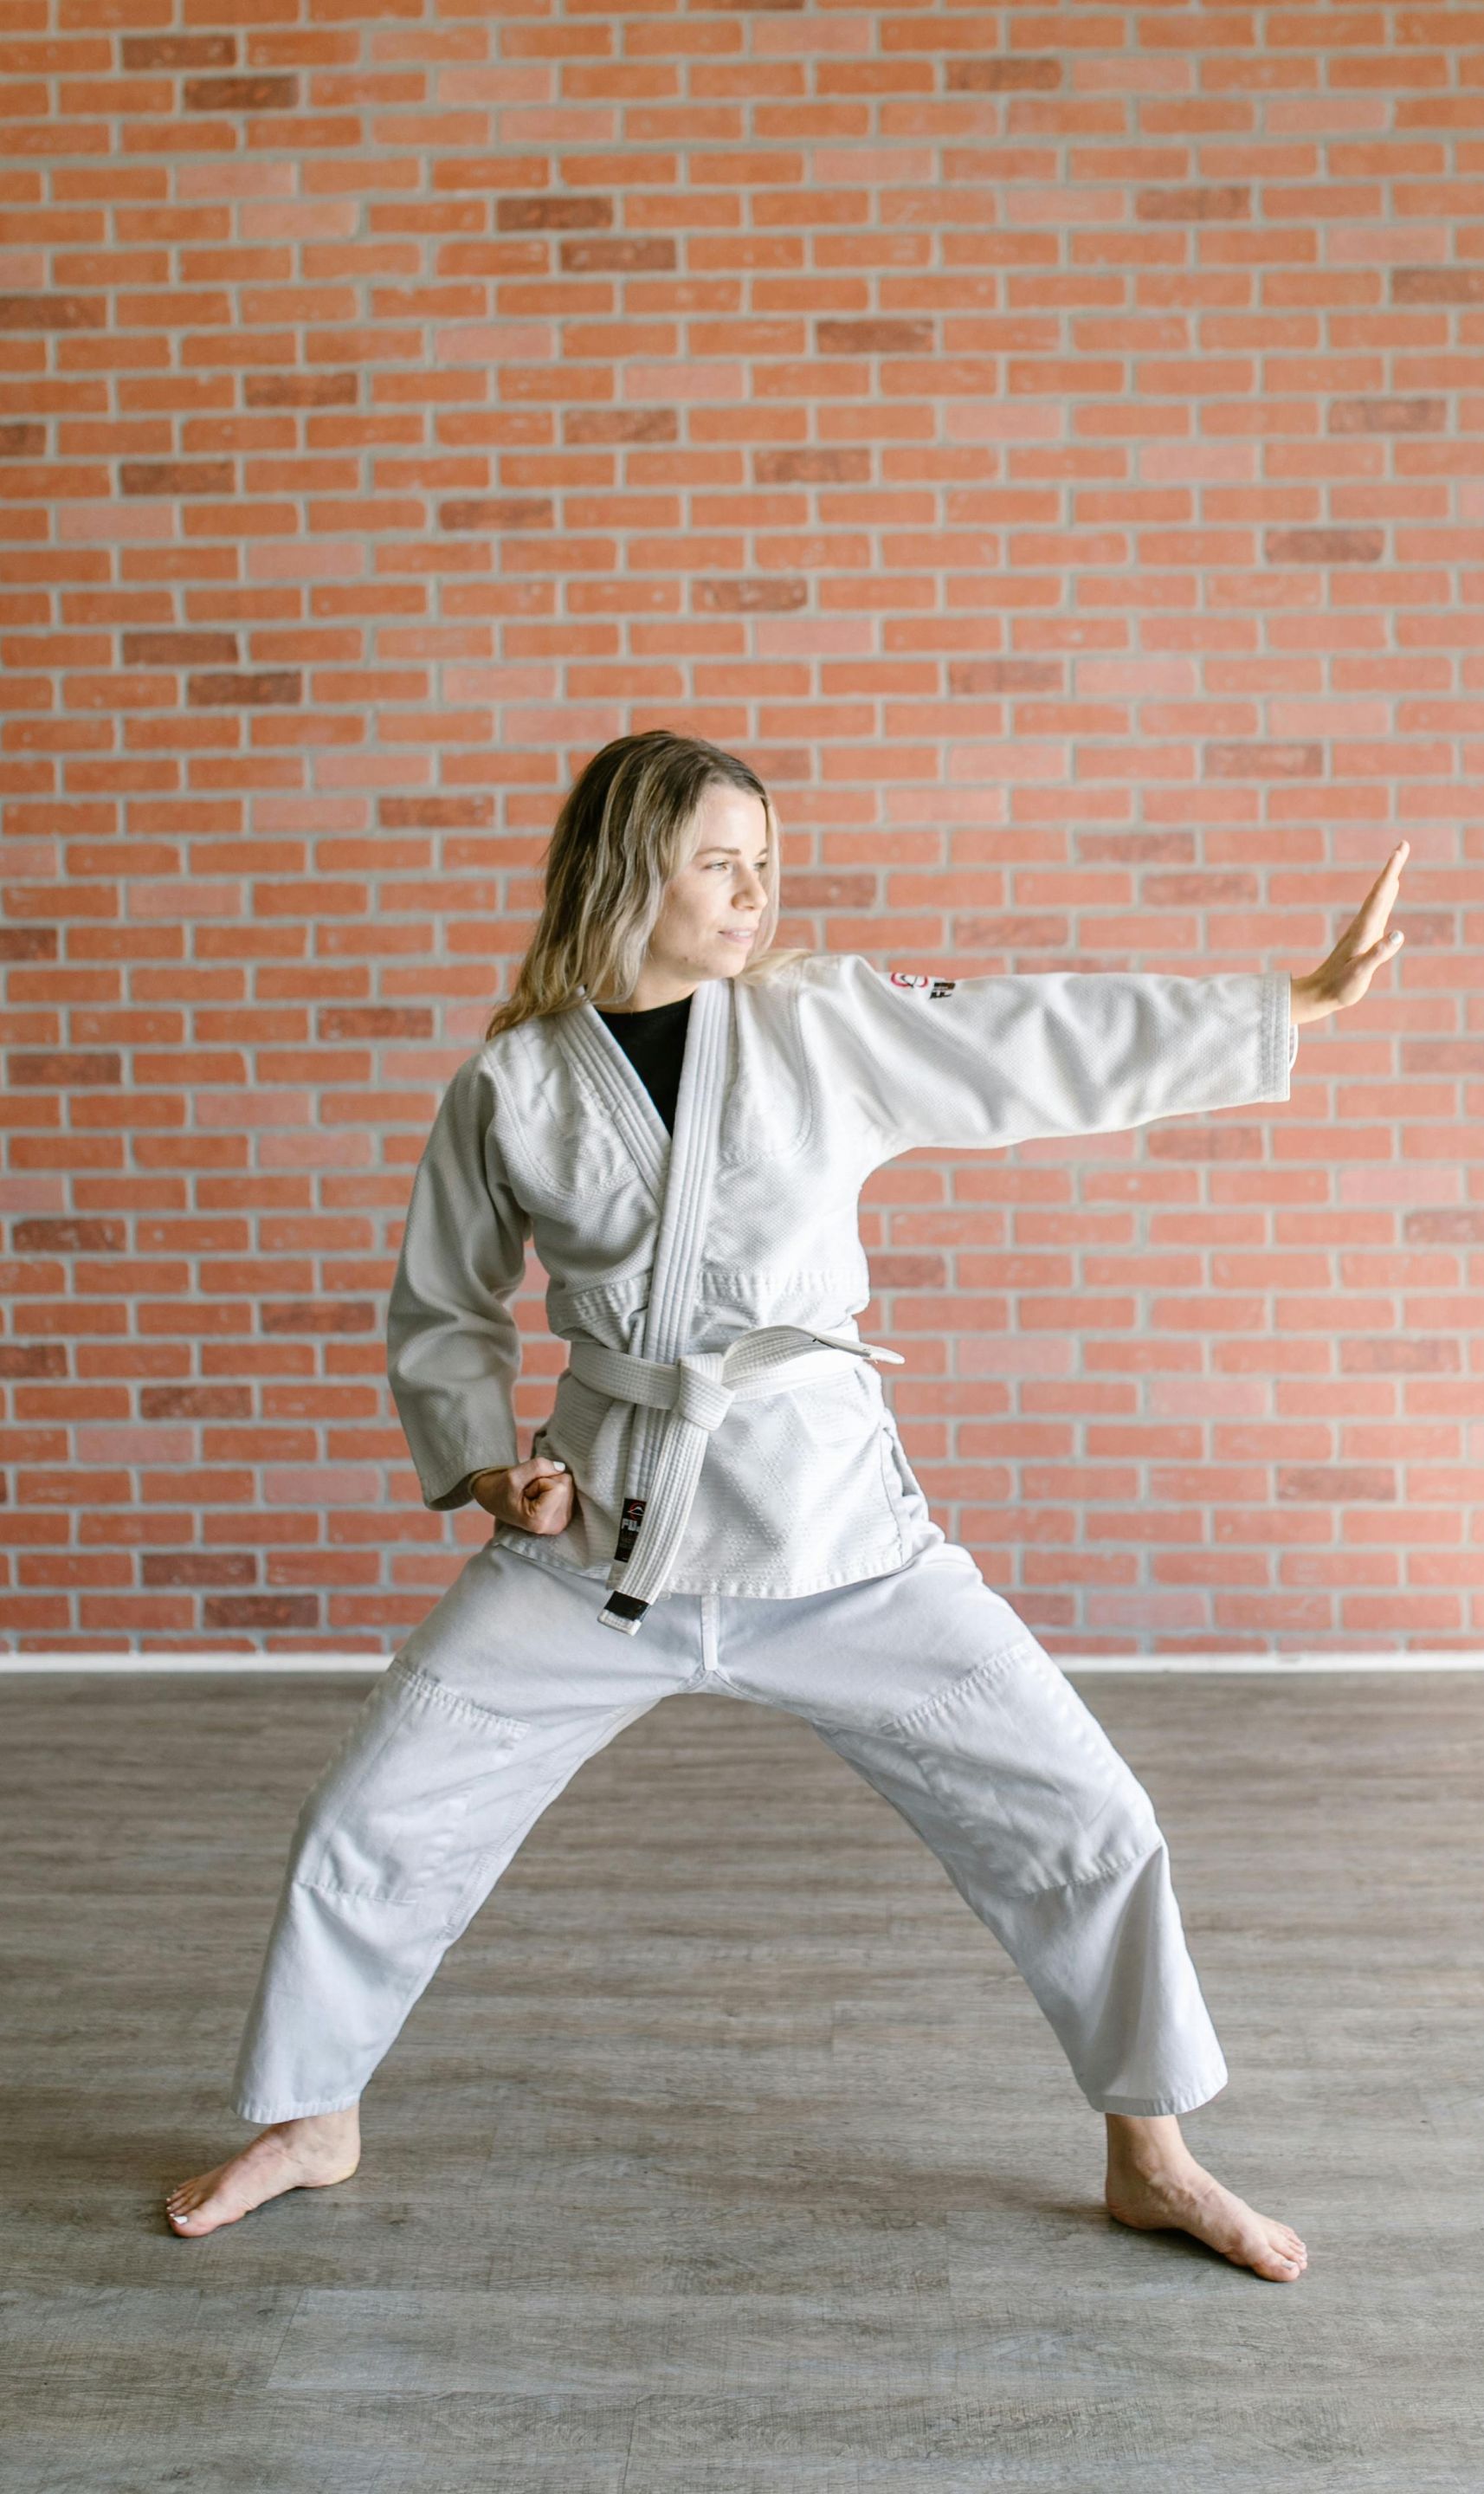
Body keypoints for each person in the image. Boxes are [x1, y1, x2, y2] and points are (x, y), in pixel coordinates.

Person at [165, 729, 1409, 2279]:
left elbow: (1028, 1038)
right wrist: (490, 1468)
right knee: (375, 1814)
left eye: (765, 862)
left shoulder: (820, 1022)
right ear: (629, 872)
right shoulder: (515, 1082)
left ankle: (1151, 2154)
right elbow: (445, 1308)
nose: (755, 893)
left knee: (1084, 1816)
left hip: (835, 1539)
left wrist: (1286, 1004)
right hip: (599, 1544)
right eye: (719, 864)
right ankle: (313, 2120)